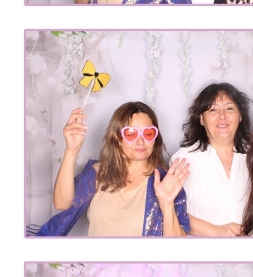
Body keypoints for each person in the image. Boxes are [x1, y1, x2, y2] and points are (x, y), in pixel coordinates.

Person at [34, 102, 190, 237]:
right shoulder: (98, 174)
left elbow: (176, 248)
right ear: (117, 138)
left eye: (148, 133)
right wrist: (71, 150)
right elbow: (62, 204)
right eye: (131, 133)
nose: (141, 141)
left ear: (155, 138)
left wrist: (167, 203)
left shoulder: (165, 183)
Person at [171, 83, 252, 237]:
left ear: (240, 115)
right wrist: (215, 231)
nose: (222, 116)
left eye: (229, 108)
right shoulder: (185, 158)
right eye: (213, 110)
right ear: (201, 119)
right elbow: (172, 211)